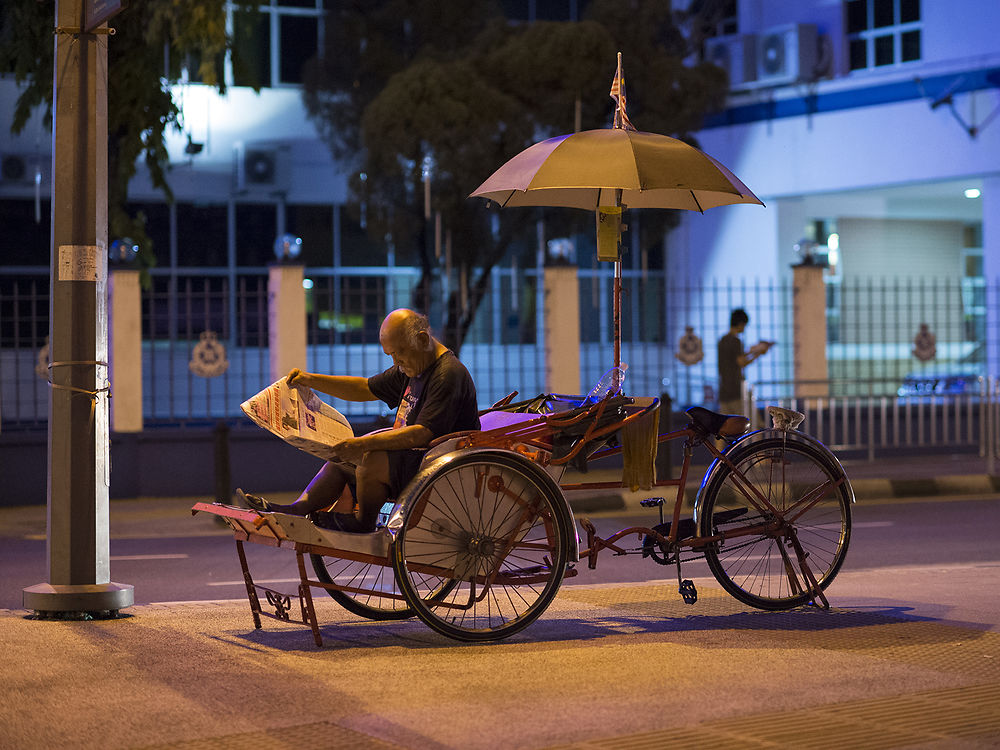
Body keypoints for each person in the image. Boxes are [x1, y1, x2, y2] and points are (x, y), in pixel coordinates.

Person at [239, 308, 480, 532]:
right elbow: (365, 388)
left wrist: (364, 444)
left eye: (399, 353)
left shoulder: (447, 374)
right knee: (342, 459)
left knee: (369, 455)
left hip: (435, 467)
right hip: (413, 460)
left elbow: (422, 433)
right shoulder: (413, 365)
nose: (396, 362)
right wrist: (310, 379)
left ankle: (363, 523)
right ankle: (296, 510)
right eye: (391, 355)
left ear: (423, 340)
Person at [717, 308, 773, 415]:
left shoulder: (722, 340)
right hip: (736, 390)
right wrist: (758, 354)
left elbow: (734, 358)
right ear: (741, 324)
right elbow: (741, 362)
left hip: (723, 390)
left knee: (727, 427)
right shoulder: (736, 341)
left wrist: (753, 351)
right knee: (745, 424)